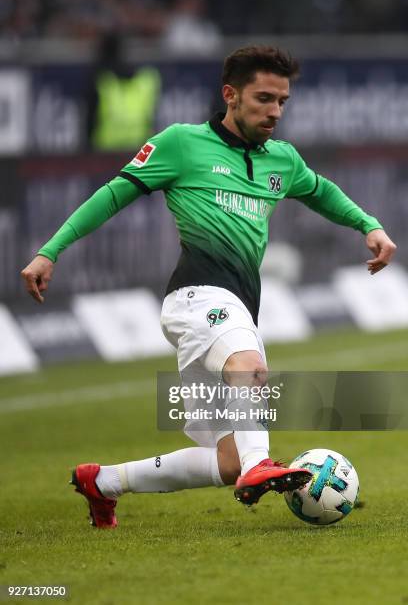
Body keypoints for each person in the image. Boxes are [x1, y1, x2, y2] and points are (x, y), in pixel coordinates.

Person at [21, 46, 396, 529]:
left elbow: (321, 191)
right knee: (251, 369)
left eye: (282, 101)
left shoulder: (282, 160)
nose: (275, 111)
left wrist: (369, 225)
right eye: (264, 98)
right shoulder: (182, 143)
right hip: (197, 298)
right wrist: (51, 250)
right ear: (230, 95)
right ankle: (262, 463)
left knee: (227, 462)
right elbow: (114, 193)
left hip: (236, 308)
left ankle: (105, 482)